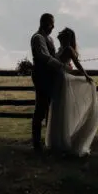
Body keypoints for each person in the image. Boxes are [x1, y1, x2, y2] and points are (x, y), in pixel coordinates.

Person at [45, 27, 98, 157]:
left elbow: (77, 64)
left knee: (61, 108)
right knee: (56, 108)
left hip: (61, 80)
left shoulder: (68, 49)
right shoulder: (61, 49)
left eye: (62, 37)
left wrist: (86, 76)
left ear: (67, 38)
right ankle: (56, 142)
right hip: (57, 79)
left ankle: (61, 142)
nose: (60, 38)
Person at [30, 13, 64, 152]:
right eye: (51, 23)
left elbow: (52, 56)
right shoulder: (38, 38)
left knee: (49, 108)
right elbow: (44, 56)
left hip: (49, 76)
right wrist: (61, 65)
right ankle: (37, 143)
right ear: (43, 23)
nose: (53, 26)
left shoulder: (49, 38)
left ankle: (48, 140)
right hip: (41, 76)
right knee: (41, 108)